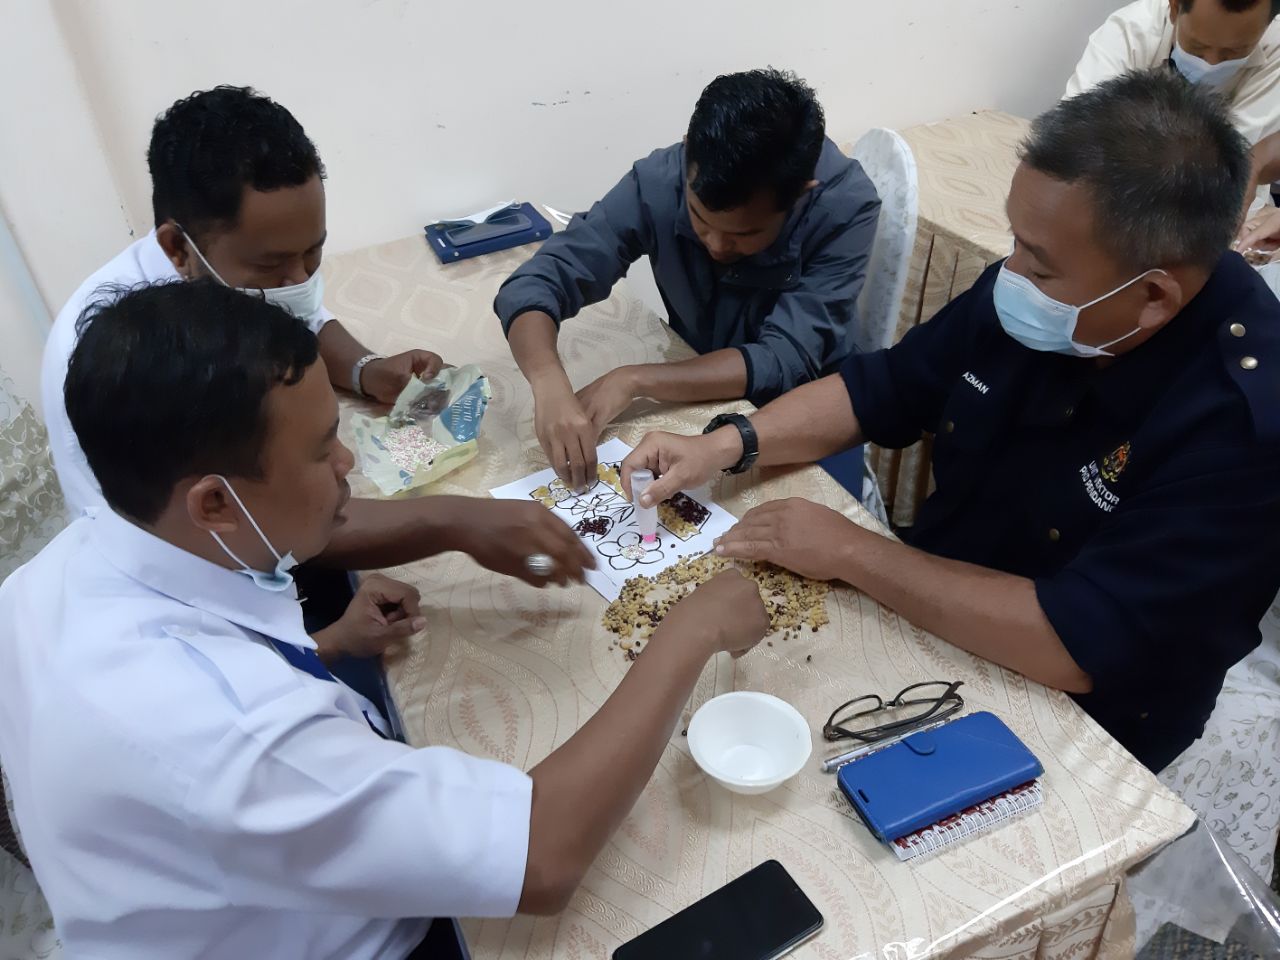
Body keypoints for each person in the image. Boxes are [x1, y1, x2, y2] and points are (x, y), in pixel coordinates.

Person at [0, 280, 769, 959]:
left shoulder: (54, 576)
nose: (348, 464)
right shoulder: (237, 741)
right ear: (213, 503)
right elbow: (542, 856)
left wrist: (323, 647)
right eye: (321, 451)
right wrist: (689, 631)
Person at [621, 69, 1280, 773]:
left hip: (1079, 717)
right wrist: (729, 443)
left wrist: (854, 553)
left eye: (1039, 265)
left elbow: (1078, 642)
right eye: (1015, 239)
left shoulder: (1246, 425)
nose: (1010, 272)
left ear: (1151, 298)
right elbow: (886, 386)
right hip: (929, 602)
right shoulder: (1050, 293)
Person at [39, 85, 590, 601]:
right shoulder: (123, 365)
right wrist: (457, 521)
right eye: (272, 265)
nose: (299, 279)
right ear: (178, 249)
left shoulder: (233, 272)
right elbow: (271, 523)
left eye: (314, 252)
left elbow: (302, 314)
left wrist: (365, 369)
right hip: (207, 586)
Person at [495, 68, 880, 491]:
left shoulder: (845, 206)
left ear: (801, 194)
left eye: (744, 235)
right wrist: (547, 381)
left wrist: (633, 380)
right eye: (699, 219)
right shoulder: (660, 181)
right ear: (686, 153)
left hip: (805, 415)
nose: (716, 245)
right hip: (700, 390)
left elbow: (784, 359)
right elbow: (539, 281)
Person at [1066, 0, 1280, 212]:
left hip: (1215, 209)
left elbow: (1227, 166)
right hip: (1113, 198)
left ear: (1268, 25)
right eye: (1197, 48)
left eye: (1233, 52)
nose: (1211, 63)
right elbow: (1077, 136)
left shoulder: (1276, 49)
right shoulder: (1129, 33)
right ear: (1175, 7)